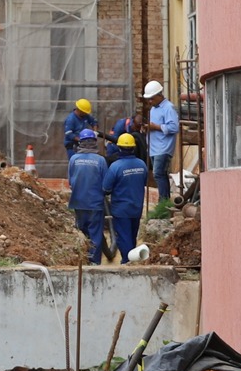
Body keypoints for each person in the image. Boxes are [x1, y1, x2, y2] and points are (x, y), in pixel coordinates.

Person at [65, 129, 110, 265]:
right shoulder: (100, 160)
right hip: (95, 203)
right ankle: (94, 261)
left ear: (80, 143)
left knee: (82, 231)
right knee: (95, 233)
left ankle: (83, 260)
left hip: (78, 202)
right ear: (94, 142)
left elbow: (71, 183)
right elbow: (106, 184)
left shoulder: (73, 159)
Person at [105, 133, 150, 264]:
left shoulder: (115, 167)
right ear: (133, 148)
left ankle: (127, 262)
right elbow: (144, 181)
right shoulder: (142, 165)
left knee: (124, 237)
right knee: (132, 236)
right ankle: (133, 260)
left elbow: (106, 188)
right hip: (137, 207)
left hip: (121, 209)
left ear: (119, 148)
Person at [141, 79, 181, 203]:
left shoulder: (168, 108)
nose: (150, 101)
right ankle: (164, 200)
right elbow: (154, 126)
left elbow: (174, 127)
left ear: (159, 95)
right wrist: (147, 128)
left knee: (158, 174)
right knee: (160, 174)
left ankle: (163, 201)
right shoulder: (153, 109)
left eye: (152, 98)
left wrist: (156, 127)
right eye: (148, 99)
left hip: (163, 148)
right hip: (154, 147)